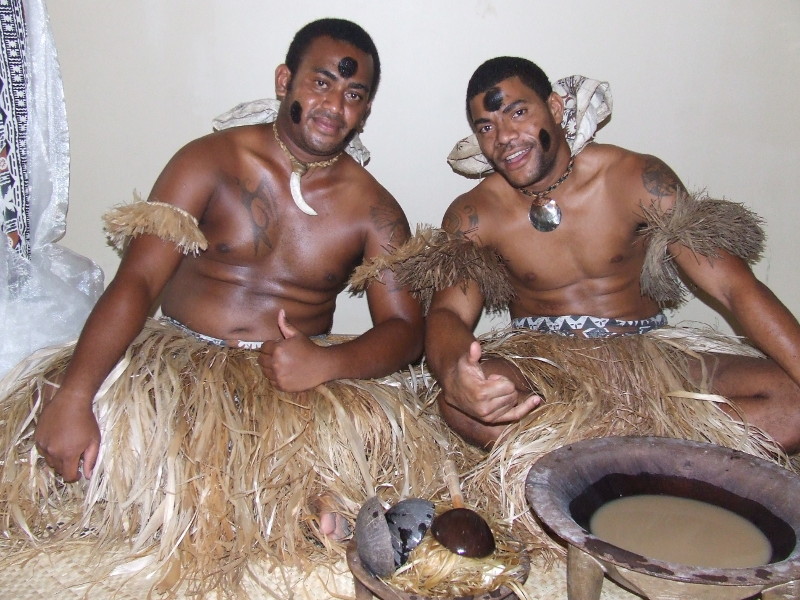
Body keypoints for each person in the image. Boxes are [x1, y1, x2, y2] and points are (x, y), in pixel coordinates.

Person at [0, 18, 454, 595]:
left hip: (295, 383)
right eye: (320, 83)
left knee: (397, 461)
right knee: (65, 460)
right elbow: (138, 281)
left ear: (365, 112)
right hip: (180, 366)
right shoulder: (208, 161)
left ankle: (297, 498)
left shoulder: (373, 208)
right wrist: (75, 392)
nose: (333, 105)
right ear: (284, 80)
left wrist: (326, 363)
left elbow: (405, 332)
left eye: (353, 95)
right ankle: (278, 501)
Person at [383, 57, 800, 556]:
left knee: (792, 403)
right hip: (547, 366)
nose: (505, 137)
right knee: (460, 405)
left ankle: (597, 455)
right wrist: (456, 375)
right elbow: (448, 315)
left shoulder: (636, 178)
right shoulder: (477, 213)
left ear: (555, 108)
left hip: (651, 354)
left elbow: (734, 288)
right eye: (487, 127)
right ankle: (651, 454)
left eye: (518, 112)